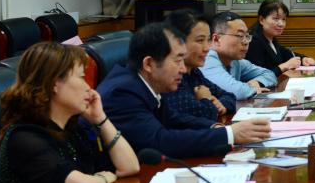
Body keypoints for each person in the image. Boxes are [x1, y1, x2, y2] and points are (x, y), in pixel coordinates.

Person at [0, 43, 140, 183]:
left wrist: (101, 119)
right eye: (82, 77)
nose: (89, 87)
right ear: (55, 83)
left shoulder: (71, 128)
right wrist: (104, 178)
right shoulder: (24, 138)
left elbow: (129, 167)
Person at [97, 23, 271, 158]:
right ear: (149, 64)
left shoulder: (145, 82)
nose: (182, 69)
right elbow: (159, 142)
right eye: (177, 61)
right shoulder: (123, 93)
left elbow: (174, 118)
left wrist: (215, 127)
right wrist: (229, 134)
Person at [161, 9, 236, 122]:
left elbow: (230, 96)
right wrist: (206, 99)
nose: (207, 48)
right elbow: (200, 113)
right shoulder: (171, 75)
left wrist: (221, 105)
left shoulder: (194, 72)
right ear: (177, 42)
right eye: (200, 40)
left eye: (208, 40)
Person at [202, 11, 278, 101]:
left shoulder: (236, 61)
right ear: (217, 39)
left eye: (247, 36)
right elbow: (236, 91)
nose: (246, 42)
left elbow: (270, 74)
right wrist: (251, 89)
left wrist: (257, 82)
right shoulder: (206, 59)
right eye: (240, 35)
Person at [245, 0, 315, 75]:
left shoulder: (271, 39)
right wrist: (284, 66)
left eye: (284, 19)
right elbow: (257, 75)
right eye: (276, 18)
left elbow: (287, 54)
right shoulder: (253, 41)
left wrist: (303, 59)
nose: (281, 24)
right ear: (261, 20)